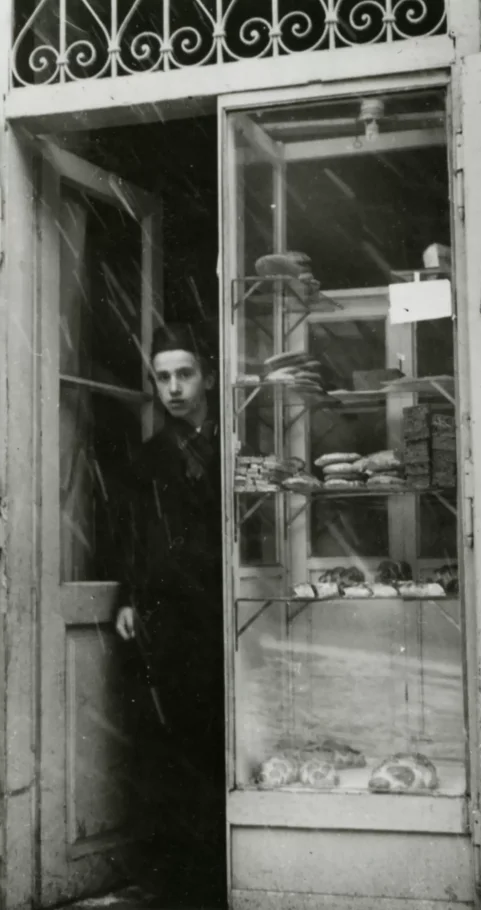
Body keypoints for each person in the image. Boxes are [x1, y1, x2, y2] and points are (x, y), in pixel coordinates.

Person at [115, 322, 225, 907]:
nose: (174, 388)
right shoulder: (151, 457)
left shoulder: (235, 441)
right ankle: (184, 881)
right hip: (172, 620)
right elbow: (133, 537)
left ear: (206, 376)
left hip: (228, 616)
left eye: (185, 374)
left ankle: (226, 870)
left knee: (223, 744)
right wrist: (128, 597)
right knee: (174, 748)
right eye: (163, 378)